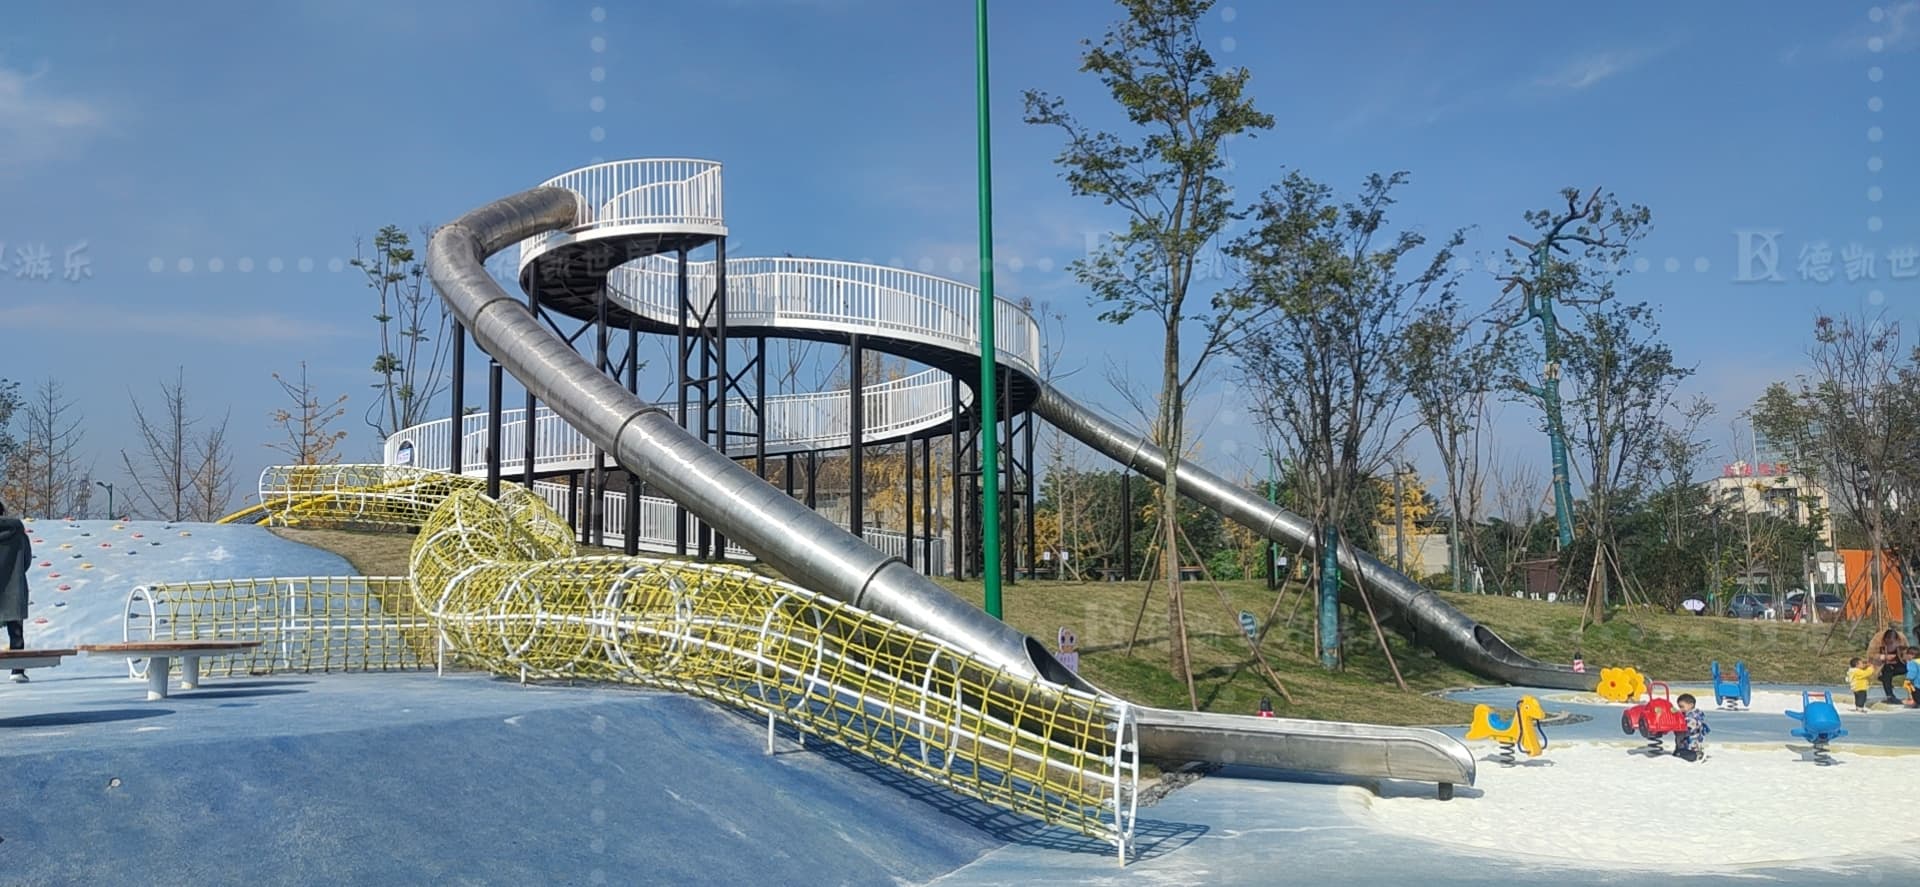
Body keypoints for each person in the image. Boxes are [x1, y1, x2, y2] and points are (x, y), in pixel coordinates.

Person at [0, 501, 30, 682]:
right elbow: (26, 560)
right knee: (16, 632)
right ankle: (17, 670)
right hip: (14, 587)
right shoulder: (18, 532)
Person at [1870, 627, 1909, 705]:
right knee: (1887, 672)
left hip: (1899, 663)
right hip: (1883, 665)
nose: (1890, 643)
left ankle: (1884, 678)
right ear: (1885, 639)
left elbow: (1907, 653)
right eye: (1888, 640)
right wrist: (1883, 657)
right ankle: (1890, 696)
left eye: (1892, 641)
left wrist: (1903, 656)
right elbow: (1871, 655)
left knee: (1907, 668)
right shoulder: (1878, 642)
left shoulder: (1901, 642)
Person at [1672, 693, 1708, 762]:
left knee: (1678, 754)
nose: (1680, 709)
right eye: (1679, 707)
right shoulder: (1686, 715)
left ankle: (1697, 756)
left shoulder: (1693, 716)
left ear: (1691, 705)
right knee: (1677, 753)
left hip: (1691, 746)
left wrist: (1677, 725)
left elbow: (1688, 726)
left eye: (1682, 707)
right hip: (1685, 745)